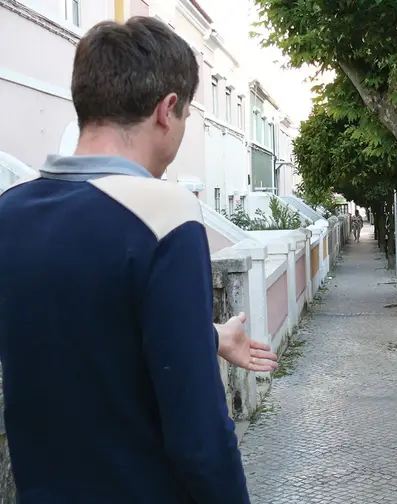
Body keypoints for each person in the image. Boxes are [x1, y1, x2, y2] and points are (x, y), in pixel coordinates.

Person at [0, 17, 276, 503]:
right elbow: (200, 439)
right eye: (188, 116)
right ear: (167, 110)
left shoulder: (10, 212)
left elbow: (77, 332)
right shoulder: (164, 213)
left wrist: (205, 336)